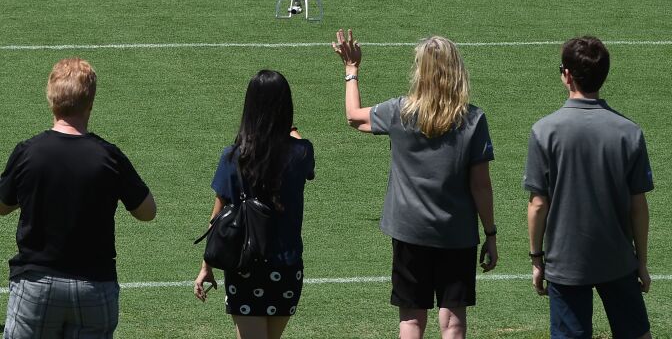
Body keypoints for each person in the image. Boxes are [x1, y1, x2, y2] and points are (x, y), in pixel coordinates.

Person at [333, 29, 498, 339]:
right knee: (453, 322)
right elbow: (481, 186)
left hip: (408, 231)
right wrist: (490, 233)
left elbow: (354, 117)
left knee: (411, 321)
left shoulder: (400, 111)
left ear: (420, 71)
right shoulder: (473, 119)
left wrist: (351, 71)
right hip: (456, 234)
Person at [0, 58, 156, 339]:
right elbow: (147, 211)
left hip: (36, 283)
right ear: (90, 103)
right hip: (94, 286)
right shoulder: (109, 156)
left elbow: (2, 205)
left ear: (51, 99)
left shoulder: (27, 153)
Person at [525, 37, 653, 339]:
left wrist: (536, 258)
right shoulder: (629, 132)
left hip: (565, 261)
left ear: (567, 76)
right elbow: (638, 206)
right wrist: (642, 262)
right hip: (618, 259)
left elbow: (538, 204)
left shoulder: (544, 131)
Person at [194, 70, 315, 339]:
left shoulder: (233, 156)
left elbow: (217, 218)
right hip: (287, 267)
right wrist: (290, 128)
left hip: (244, 266)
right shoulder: (302, 152)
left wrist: (206, 266)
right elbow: (297, 143)